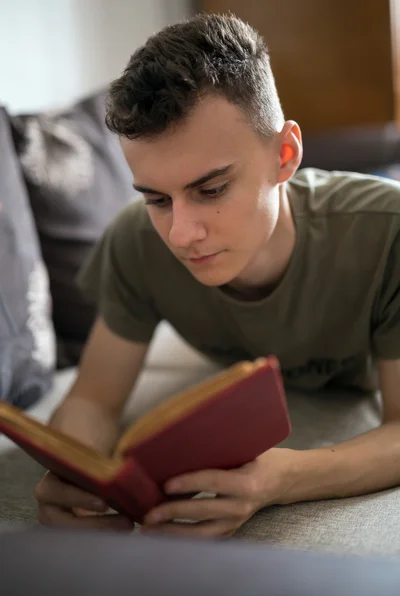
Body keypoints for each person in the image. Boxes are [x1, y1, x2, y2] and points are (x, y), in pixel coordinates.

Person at [35, 12, 400, 538]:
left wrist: (283, 477)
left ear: (285, 154)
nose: (181, 235)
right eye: (157, 199)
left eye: (211, 190)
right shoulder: (135, 240)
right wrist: (75, 470)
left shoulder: (385, 235)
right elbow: (93, 398)